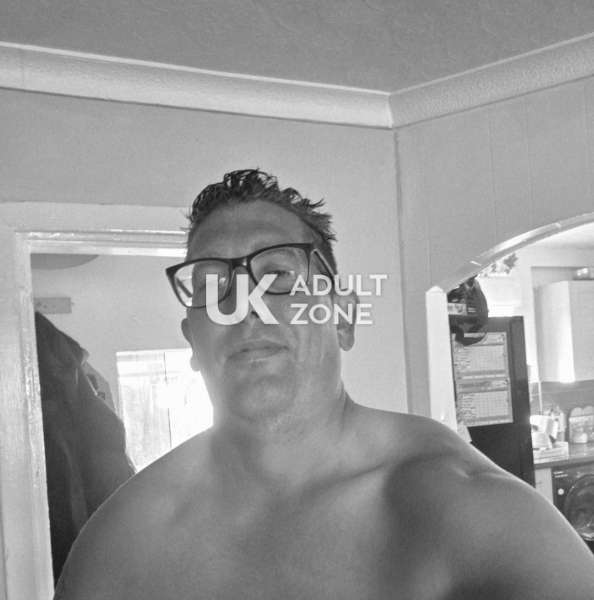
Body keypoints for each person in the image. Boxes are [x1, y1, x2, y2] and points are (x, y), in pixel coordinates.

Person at [55, 169, 594, 599]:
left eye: (278, 276)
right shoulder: (122, 544)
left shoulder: (468, 509)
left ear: (342, 318)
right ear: (192, 341)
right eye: (212, 285)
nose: (245, 307)